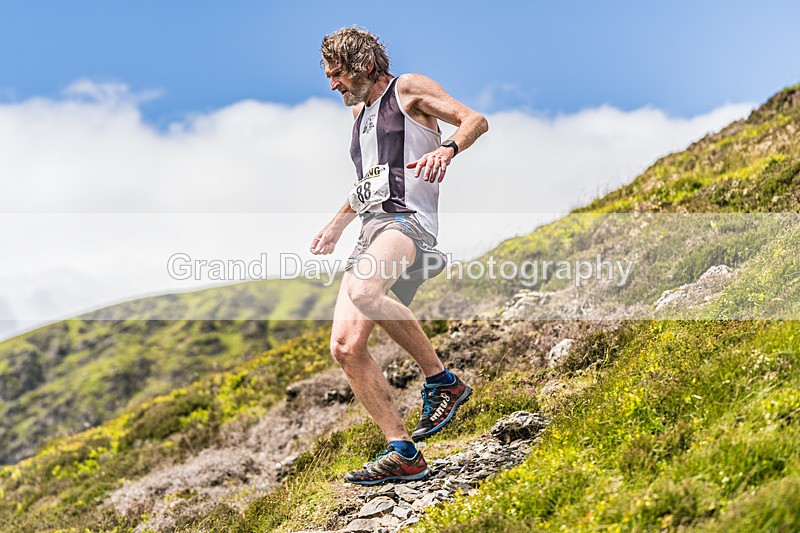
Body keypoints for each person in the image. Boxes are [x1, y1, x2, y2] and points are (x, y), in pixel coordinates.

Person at [310, 27, 488, 485]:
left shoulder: (406, 89)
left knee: (367, 292)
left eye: (336, 74)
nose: (332, 84)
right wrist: (336, 223)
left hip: (406, 220)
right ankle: (403, 451)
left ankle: (442, 381)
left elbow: (474, 119)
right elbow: (369, 182)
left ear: (364, 64)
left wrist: (447, 148)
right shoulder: (358, 116)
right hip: (371, 228)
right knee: (345, 347)